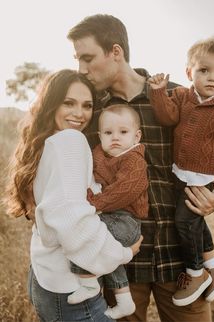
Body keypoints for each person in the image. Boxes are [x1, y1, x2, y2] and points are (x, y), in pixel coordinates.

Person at [67, 14, 214, 322]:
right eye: (77, 60)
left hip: (182, 263)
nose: (81, 70)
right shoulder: (92, 113)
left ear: (115, 52)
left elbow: (211, 155)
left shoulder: (178, 97)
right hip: (122, 265)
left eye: (87, 58)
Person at [4, 69, 142, 322]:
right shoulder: (71, 141)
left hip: (44, 276)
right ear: (51, 103)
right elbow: (73, 220)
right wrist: (123, 254)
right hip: (70, 287)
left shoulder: (47, 141)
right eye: (69, 103)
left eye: (87, 105)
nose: (79, 114)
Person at [148, 37, 214, 307]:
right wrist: (159, 92)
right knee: (193, 220)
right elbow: (167, 117)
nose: (212, 78)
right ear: (189, 73)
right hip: (182, 173)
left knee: (185, 221)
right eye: (203, 71)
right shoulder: (184, 96)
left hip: (207, 177)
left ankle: (196, 272)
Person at [68, 104, 149, 320]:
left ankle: (88, 281)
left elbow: (123, 191)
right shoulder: (98, 154)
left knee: (87, 235)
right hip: (111, 217)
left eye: (123, 132)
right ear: (99, 135)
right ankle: (124, 301)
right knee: (110, 257)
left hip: (126, 221)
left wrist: (94, 203)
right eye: (108, 133)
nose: (115, 138)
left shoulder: (134, 160)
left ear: (136, 136)